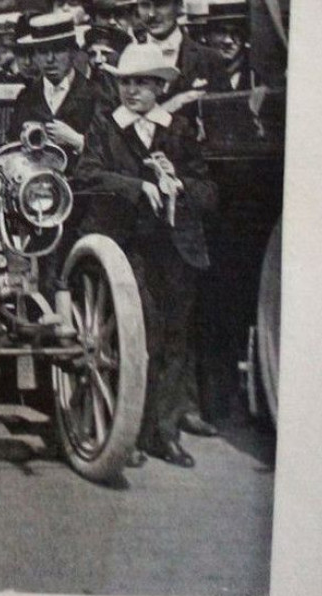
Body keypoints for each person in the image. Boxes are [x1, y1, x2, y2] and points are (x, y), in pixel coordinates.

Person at [75, 42, 218, 468]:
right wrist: (138, 188)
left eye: (142, 83)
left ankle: (165, 433)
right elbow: (86, 174)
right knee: (137, 338)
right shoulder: (105, 127)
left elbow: (210, 192)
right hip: (125, 245)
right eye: (126, 82)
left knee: (174, 337)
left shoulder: (178, 131)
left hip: (175, 250)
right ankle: (129, 434)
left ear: (159, 87)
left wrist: (178, 184)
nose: (132, 91)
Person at [133, 0, 230, 113]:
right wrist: (167, 108)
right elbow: (112, 130)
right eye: (144, 5)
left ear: (179, 4)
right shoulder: (125, 58)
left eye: (160, 4)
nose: (151, 14)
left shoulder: (210, 60)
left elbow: (230, 122)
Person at [8, 12, 100, 164]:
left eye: (58, 50)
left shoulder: (95, 95)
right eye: (43, 51)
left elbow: (112, 157)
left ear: (73, 51)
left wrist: (78, 141)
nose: (50, 59)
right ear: (35, 55)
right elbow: (11, 151)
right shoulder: (26, 97)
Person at [206, 0, 255, 90]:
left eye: (236, 32)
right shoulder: (195, 69)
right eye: (221, 32)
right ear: (206, 35)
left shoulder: (257, 70)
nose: (228, 41)